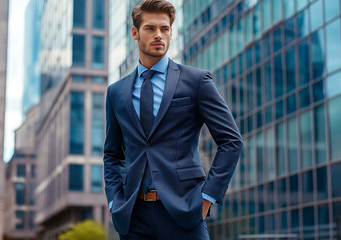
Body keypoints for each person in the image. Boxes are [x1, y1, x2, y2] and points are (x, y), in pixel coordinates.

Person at [103, 0, 243, 239]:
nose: (159, 35)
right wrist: (115, 201)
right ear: (135, 33)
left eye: (165, 28)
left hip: (185, 213)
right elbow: (112, 154)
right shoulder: (116, 92)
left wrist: (207, 198)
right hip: (133, 217)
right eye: (150, 28)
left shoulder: (196, 81)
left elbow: (232, 141)